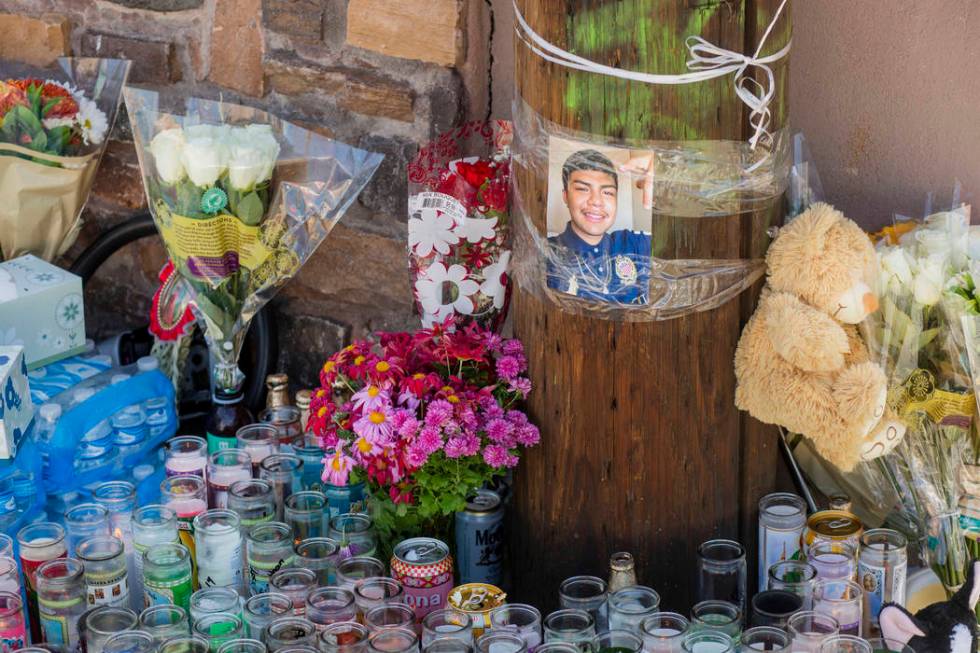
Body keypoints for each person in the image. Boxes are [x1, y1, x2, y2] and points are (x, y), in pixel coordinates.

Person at [547, 148, 651, 304]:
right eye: (583, 189)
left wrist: (670, 170)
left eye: (607, 192)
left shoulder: (634, 244)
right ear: (565, 196)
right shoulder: (545, 254)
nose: (596, 201)